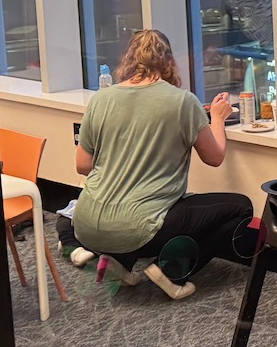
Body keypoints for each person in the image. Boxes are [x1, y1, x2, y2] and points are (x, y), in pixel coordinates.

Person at [72, 29, 253, 300]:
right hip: (139, 227)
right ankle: (171, 272)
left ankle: (119, 262)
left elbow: (83, 165)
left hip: (86, 223)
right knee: (241, 208)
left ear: (129, 60)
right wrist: (217, 118)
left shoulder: (102, 98)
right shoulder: (181, 101)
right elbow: (214, 158)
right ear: (168, 61)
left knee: (146, 213)